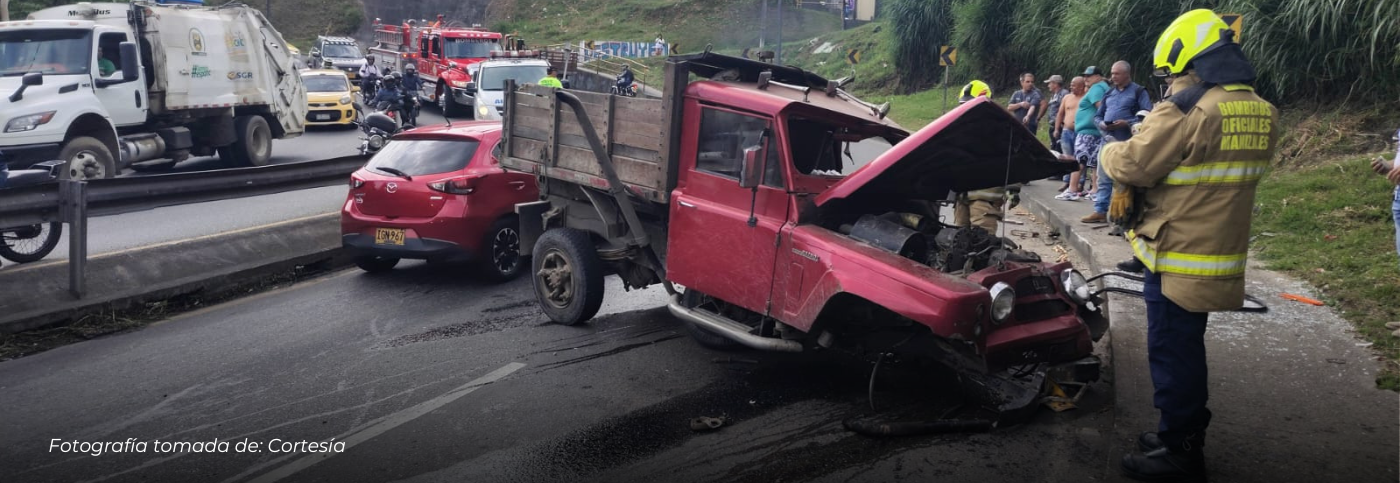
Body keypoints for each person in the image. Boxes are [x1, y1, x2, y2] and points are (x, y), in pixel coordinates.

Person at [1100, 10, 1279, 482]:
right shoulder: (1260, 108)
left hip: (1177, 252)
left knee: (1173, 351)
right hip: (1221, 252)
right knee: (1185, 348)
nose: (1172, 83)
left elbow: (1134, 164)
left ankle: (1181, 450)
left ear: (1188, 61)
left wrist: (1106, 151)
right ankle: (1175, 431)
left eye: (1174, 74)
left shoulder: (1187, 107)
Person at [1090, 61, 1154, 225]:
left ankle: (1122, 216)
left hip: (1127, 143)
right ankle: (1100, 211)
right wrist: (1103, 124)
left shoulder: (1139, 92)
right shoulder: (1109, 93)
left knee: (1123, 180)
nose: (1113, 77)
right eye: (1112, 73)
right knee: (1103, 176)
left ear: (1127, 74)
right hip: (1108, 141)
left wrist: (1127, 123)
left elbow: (1146, 115)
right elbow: (1097, 116)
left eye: (1116, 74)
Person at [953, 80, 1006, 234]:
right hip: (962, 195)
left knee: (982, 241)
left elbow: (1016, 159)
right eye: (963, 104)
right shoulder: (960, 127)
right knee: (959, 239)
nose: (966, 108)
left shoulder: (1000, 128)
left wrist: (1013, 189)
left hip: (985, 198)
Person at [1054, 76, 1087, 200]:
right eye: (1071, 85)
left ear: (1082, 86)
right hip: (1067, 131)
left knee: (1080, 158)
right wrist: (1057, 129)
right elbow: (1060, 113)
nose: (1071, 87)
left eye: (1074, 85)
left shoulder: (1086, 98)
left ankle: (1080, 183)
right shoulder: (1067, 97)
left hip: (1081, 131)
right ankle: (1067, 181)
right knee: (1067, 158)